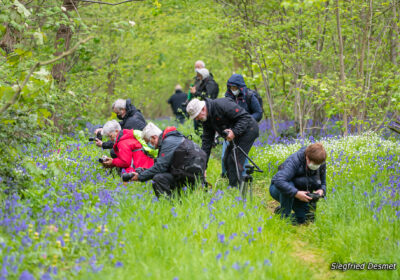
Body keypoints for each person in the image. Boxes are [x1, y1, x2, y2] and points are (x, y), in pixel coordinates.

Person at [186, 98, 259, 188]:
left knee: (234, 160)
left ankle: (236, 190)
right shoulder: (206, 120)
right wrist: (203, 166)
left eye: (197, 116)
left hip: (249, 129)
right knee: (226, 160)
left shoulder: (222, 105)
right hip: (236, 134)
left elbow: (245, 118)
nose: (196, 119)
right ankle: (233, 187)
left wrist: (234, 132)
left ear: (203, 109)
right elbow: (206, 143)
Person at [128, 122, 207, 198]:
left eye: (147, 142)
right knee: (163, 175)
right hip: (194, 174)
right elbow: (166, 166)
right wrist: (145, 171)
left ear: (154, 137)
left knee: (159, 178)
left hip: (186, 175)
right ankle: (180, 200)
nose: (148, 144)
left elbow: (160, 167)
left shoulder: (167, 142)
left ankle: (169, 203)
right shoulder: (176, 138)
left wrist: (140, 176)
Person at [269, 143, 327, 225]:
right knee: (288, 184)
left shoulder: (321, 162)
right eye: (314, 164)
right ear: (307, 158)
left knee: (306, 218)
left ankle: (280, 212)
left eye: (318, 164)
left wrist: (321, 190)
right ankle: (284, 217)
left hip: (301, 194)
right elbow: (279, 181)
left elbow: (323, 183)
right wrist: (296, 193)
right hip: (277, 189)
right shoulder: (294, 160)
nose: (316, 166)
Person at [221, 74, 263, 177]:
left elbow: (258, 113)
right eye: (231, 87)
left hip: (245, 130)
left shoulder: (249, 96)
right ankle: (226, 175)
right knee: (224, 156)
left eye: (235, 87)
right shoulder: (228, 97)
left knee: (240, 156)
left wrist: (246, 121)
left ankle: (244, 177)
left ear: (240, 87)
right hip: (230, 130)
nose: (233, 89)